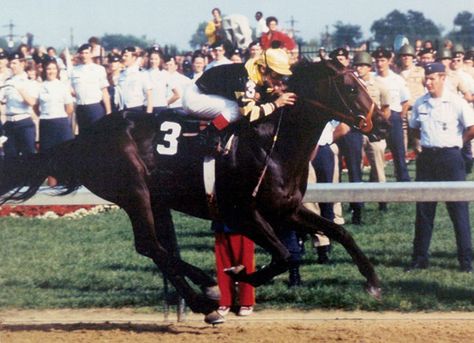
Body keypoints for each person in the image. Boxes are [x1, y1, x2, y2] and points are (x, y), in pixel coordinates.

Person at [406, 62, 474, 273]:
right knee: (424, 210)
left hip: (451, 158)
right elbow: (414, 127)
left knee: (458, 209)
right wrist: (419, 146)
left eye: (433, 78)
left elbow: (471, 128)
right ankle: (420, 258)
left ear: (443, 78)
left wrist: (457, 143)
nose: (428, 82)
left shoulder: (456, 102)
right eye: (426, 78)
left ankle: (466, 259)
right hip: (427, 159)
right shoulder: (420, 103)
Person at [182, 48, 296, 140]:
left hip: (208, 93)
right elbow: (249, 114)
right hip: (195, 98)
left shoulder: (256, 72)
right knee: (237, 110)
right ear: (263, 69)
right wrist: (276, 104)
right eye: (277, 75)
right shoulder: (246, 79)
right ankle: (208, 135)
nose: (280, 81)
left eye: (283, 76)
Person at [353, 51, 391, 212]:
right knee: (357, 166)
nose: (359, 68)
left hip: (374, 132)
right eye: (357, 65)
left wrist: (379, 129)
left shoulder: (380, 85)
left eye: (362, 65)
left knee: (378, 165)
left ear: (369, 68)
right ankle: (357, 202)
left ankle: (382, 199)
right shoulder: (352, 86)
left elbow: (385, 109)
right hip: (357, 130)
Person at [373, 47, 411, 182]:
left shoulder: (397, 79)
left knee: (398, 152)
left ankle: (403, 180)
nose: (379, 63)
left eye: (383, 60)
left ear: (389, 61)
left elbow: (406, 101)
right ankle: (376, 180)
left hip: (394, 117)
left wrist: (399, 117)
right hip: (376, 118)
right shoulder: (372, 78)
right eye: (377, 60)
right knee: (376, 151)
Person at [36, 57, 74, 186]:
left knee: (66, 154)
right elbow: (36, 107)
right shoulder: (40, 86)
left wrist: (59, 118)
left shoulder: (62, 86)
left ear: (57, 70)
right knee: (49, 157)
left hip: (61, 123)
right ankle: (52, 188)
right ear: (44, 70)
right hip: (46, 123)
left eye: (53, 68)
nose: (51, 71)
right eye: (48, 68)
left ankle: (68, 185)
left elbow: (69, 107)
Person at [0, 52, 39, 161]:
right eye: (11, 63)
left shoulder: (30, 82)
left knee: (28, 156)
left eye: (14, 63)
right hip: (9, 123)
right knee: (10, 158)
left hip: (24, 122)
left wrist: (19, 88)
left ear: (23, 64)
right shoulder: (7, 82)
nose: (11, 66)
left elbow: (32, 102)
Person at [212, 221, 255, 317]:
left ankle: (246, 302)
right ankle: (225, 301)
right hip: (221, 225)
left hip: (244, 225)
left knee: (244, 264)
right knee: (222, 265)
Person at [70, 43, 111, 134]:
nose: (84, 55)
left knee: (98, 135)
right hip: (81, 108)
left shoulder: (99, 69)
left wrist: (108, 111)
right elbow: (71, 91)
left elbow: (104, 92)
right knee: (84, 137)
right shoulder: (74, 71)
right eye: (82, 53)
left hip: (95, 107)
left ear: (91, 54)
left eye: (86, 53)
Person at [398, 44, 425, 155]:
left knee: (418, 144)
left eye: (409, 56)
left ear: (413, 57)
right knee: (401, 143)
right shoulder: (396, 73)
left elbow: (428, 86)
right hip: (402, 110)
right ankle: (399, 171)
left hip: (416, 110)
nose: (406, 58)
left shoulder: (420, 71)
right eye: (404, 56)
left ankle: (423, 169)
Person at [116, 46, 153, 115]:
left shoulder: (142, 73)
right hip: (122, 110)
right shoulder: (122, 74)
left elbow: (149, 95)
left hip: (136, 110)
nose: (123, 58)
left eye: (126, 56)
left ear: (134, 58)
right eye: (123, 56)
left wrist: (149, 114)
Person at [146, 46, 169, 116]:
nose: (153, 61)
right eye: (151, 59)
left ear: (160, 60)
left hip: (161, 107)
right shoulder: (145, 73)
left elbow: (177, 94)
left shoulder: (165, 74)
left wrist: (165, 102)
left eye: (156, 59)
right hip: (147, 107)